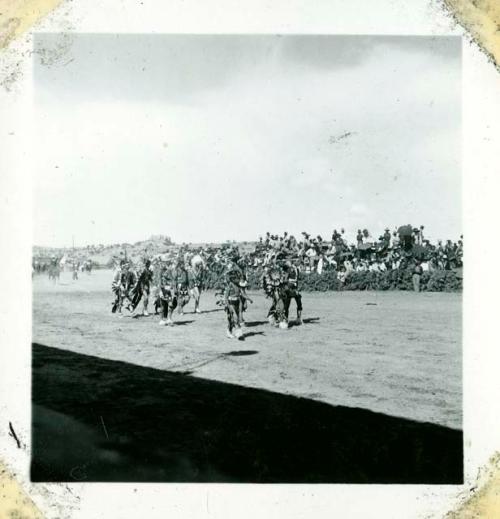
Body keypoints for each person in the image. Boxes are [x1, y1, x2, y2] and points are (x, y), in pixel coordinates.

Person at [223, 267, 253, 339]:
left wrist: (248, 299)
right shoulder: (229, 286)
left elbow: (242, 294)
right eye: (236, 278)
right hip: (231, 303)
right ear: (232, 279)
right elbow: (226, 296)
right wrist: (226, 304)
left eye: (238, 278)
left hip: (237, 302)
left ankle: (230, 331)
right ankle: (238, 333)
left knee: (234, 319)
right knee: (234, 318)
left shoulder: (238, 286)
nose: (238, 280)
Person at [282, 258, 302, 325]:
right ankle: (285, 320)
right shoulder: (289, 269)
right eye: (298, 261)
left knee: (299, 303)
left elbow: (297, 280)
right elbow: (285, 279)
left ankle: (298, 318)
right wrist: (287, 285)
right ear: (294, 262)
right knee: (287, 304)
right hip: (289, 288)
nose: (299, 262)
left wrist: (297, 288)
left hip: (295, 288)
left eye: (299, 261)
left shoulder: (297, 269)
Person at [158, 261, 177, 326]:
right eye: (170, 265)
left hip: (169, 292)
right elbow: (160, 283)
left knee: (170, 304)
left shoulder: (170, 272)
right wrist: (162, 289)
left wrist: (173, 287)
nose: (171, 267)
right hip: (163, 291)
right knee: (162, 305)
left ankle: (169, 319)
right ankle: (161, 320)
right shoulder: (162, 273)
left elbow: (172, 281)